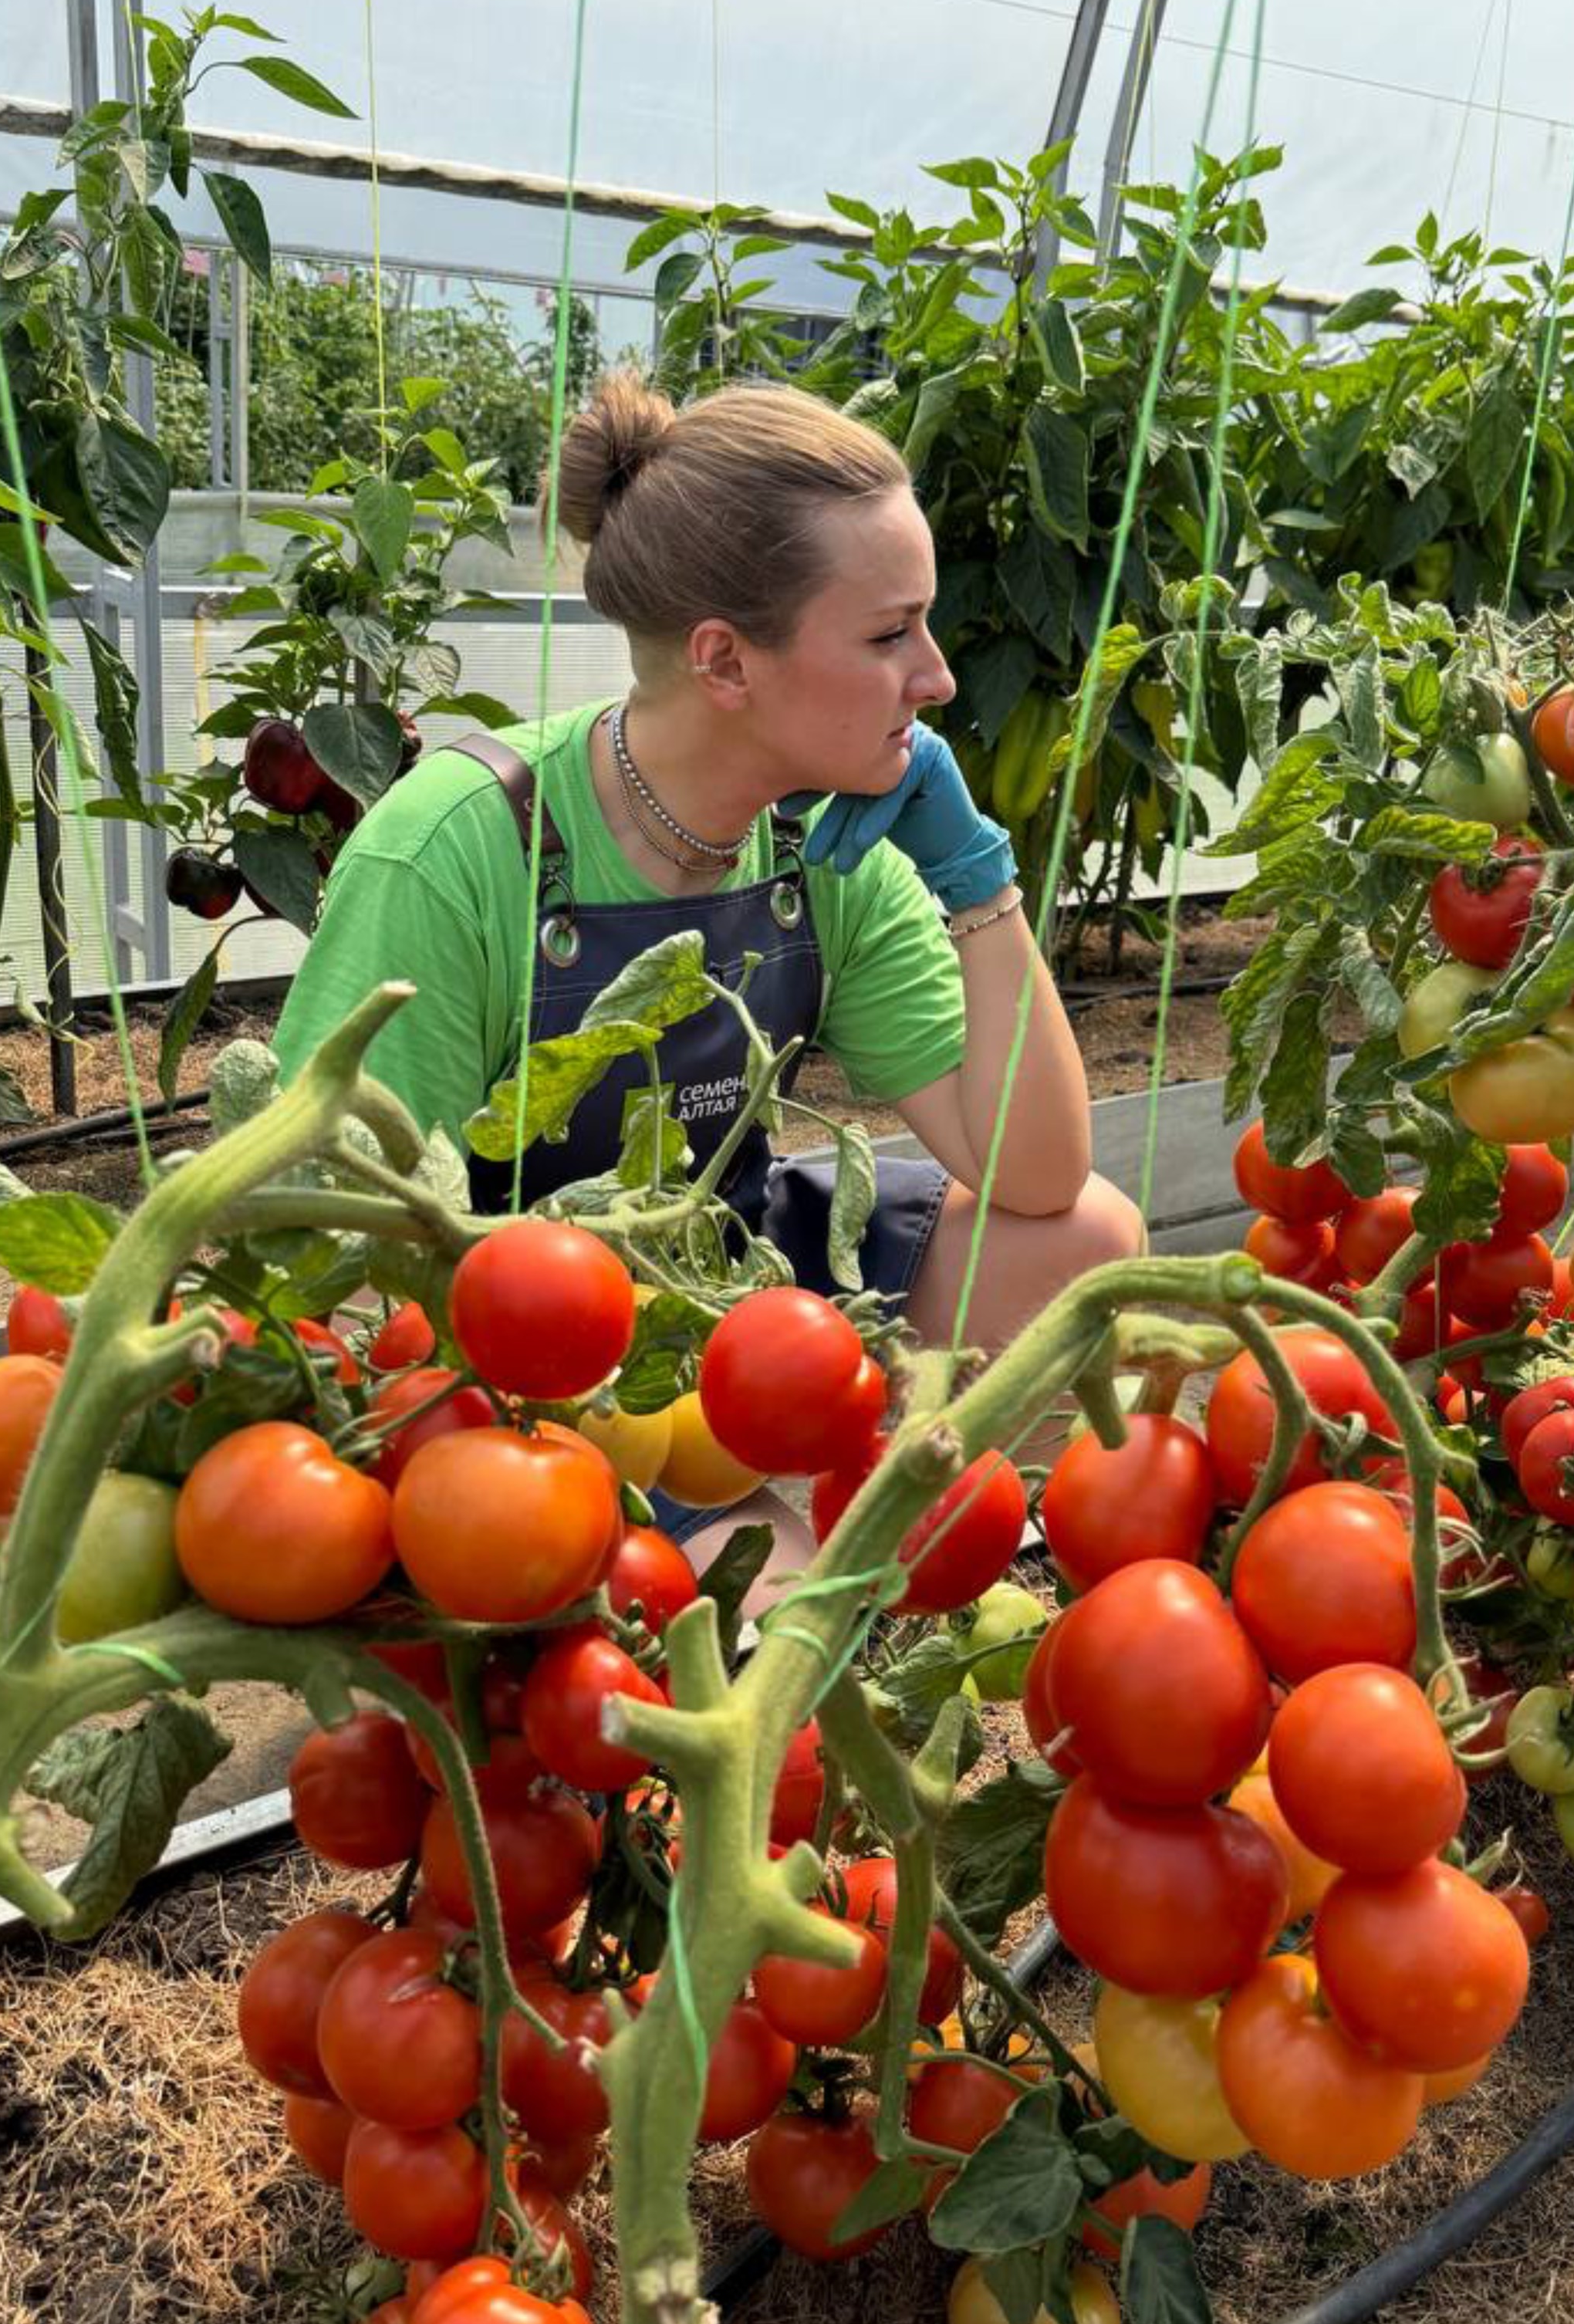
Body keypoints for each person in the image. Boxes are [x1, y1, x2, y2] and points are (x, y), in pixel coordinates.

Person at [272, 373, 1140, 1549]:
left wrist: (979, 885)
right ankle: (716, 1530)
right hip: (505, 1341)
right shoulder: (455, 852)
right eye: (890, 634)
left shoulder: (826, 845)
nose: (933, 677)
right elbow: (340, 1254)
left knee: (1083, 1249)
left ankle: (788, 1513)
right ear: (725, 663)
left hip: (717, 1287)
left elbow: (1034, 1178)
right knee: (716, 1627)